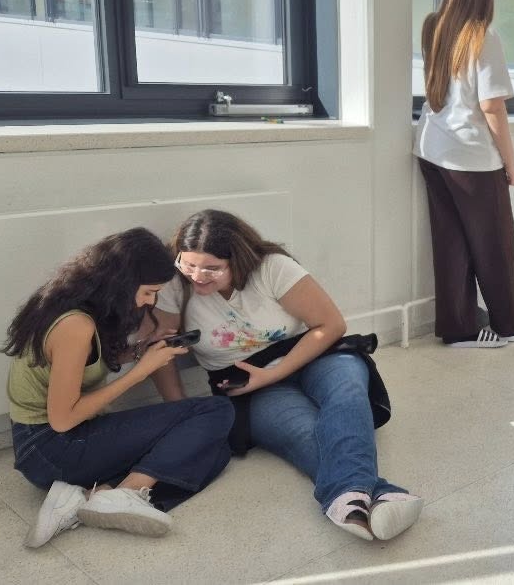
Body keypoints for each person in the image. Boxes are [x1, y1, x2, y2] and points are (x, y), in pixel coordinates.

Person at [152, 210, 422, 541]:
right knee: (305, 432)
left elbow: (331, 324)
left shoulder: (272, 267)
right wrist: (181, 410)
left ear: (237, 260)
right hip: (246, 384)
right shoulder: (174, 284)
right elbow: (162, 353)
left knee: (347, 394)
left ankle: (350, 501)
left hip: (312, 354)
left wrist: (273, 373)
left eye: (212, 268)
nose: (197, 276)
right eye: (189, 265)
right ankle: (378, 495)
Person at [3, 228, 233, 548]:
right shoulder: (74, 324)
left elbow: (87, 363)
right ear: (123, 282)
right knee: (216, 411)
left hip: (58, 444)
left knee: (215, 450)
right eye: (149, 291)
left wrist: (139, 350)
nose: (150, 301)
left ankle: (88, 496)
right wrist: (141, 371)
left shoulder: (80, 305)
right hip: (49, 448)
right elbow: (62, 419)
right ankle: (125, 493)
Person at [414, 0, 514, 349]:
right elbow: (492, 106)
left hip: (431, 149)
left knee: (450, 243)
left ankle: (460, 330)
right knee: (495, 245)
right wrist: (511, 163)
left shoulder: (434, 28)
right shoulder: (483, 36)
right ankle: (512, 325)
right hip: (471, 157)